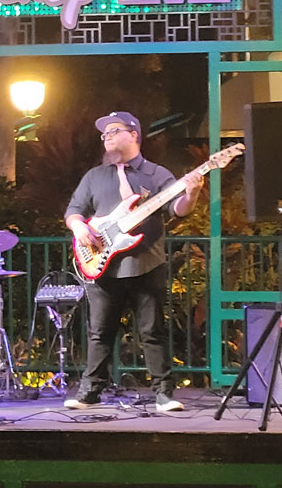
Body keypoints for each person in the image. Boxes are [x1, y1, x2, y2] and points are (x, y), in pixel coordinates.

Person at [64, 110, 202, 413]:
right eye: (104, 134)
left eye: (113, 131)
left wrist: (191, 193)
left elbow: (177, 210)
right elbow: (73, 210)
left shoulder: (156, 175)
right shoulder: (95, 176)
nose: (107, 137)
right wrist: (78, 227)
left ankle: (164, 394)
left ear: (133, 134)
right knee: (99, 332)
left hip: (146, 263)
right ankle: (89, 392)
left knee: (153, 331)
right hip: (103, 265)